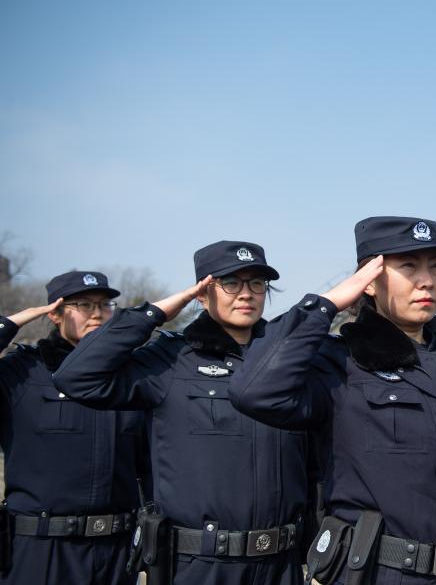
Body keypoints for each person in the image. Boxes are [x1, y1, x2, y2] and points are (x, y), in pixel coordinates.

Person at [230, 217, 436, 585]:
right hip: (381, 573)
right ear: (369, 280)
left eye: (435, 267)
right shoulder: (341, 363)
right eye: (408, 266)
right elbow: (254, 391)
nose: (427, 280)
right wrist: (326, 305)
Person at [53, 242, 308, 585]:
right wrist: (155, 313)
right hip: (201, 563)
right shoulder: (171, 359)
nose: (246, 293)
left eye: (257, 283)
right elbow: (76, 377)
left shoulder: (283, 360)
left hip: (281, 563)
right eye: (230, 283)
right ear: (202, 293)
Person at [1, 271, 145, 585]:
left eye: (104, 305)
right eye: (84, 305)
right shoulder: (22, 372)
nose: (97, 314)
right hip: (41, 549)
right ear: (55, 313)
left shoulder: (131, 377)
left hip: (116, 551)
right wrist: (11, 323)